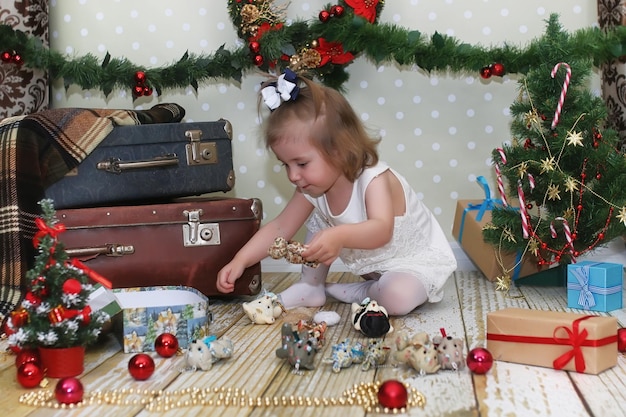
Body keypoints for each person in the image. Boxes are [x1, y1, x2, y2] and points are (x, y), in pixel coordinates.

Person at [216, 70, 457, 316]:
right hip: (375, 266)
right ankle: (311, 285)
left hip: (412, 266)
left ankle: (364, 292)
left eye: (301, 164)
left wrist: (338, 235)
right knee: (319, 220)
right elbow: (280, 228)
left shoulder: (374, 179)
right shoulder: (311, 186)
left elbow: (381, 230)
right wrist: (241, 260)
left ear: (339, 150)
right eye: (285, 164)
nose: (293, 176)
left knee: (397, 298)